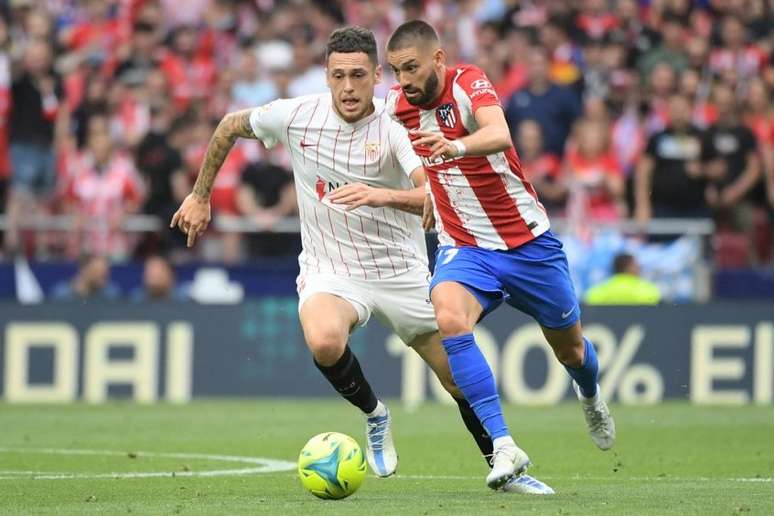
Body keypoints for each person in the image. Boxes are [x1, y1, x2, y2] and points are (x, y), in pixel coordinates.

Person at [170, 27, 549, 495]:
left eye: (357, 76)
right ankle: (375, 414)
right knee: (325, 341)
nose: (347, 88)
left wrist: (379, 196)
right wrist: (200, 195)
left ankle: (507, 469)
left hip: (402, 270)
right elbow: (229, 124)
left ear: (376, 76)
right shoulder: (296, 116)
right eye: (337, 76)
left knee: (458, 383)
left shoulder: (397, 126)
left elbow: (429, 194)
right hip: (332, 270)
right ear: (326, 77)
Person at [385, 20, 615, 492]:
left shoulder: (468, 82)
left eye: (412, 67)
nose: (405, 79)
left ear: (438, 60)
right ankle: (504, 444)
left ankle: (589, 393)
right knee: (449, 318)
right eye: (397, 70)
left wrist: (456, 146)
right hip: (464, 245)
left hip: (528, 244)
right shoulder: (396, 106)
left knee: (571, 349)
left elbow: (499, 133)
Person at [584, 253, 661, 305]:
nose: (639, 268)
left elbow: (589, 299)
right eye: (635, 265)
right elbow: (654, 300)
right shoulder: (647, 290)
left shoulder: (599, 290)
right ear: (629, 267)